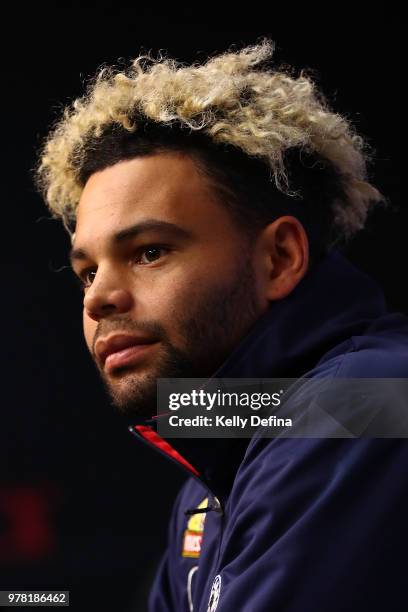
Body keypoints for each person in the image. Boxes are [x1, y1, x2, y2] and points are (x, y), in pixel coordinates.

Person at [35, 41, 408, 611]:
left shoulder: (363, 403)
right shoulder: (208, 480)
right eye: (86, 273)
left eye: (150, 252)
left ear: (279, 259)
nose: (99, 299)